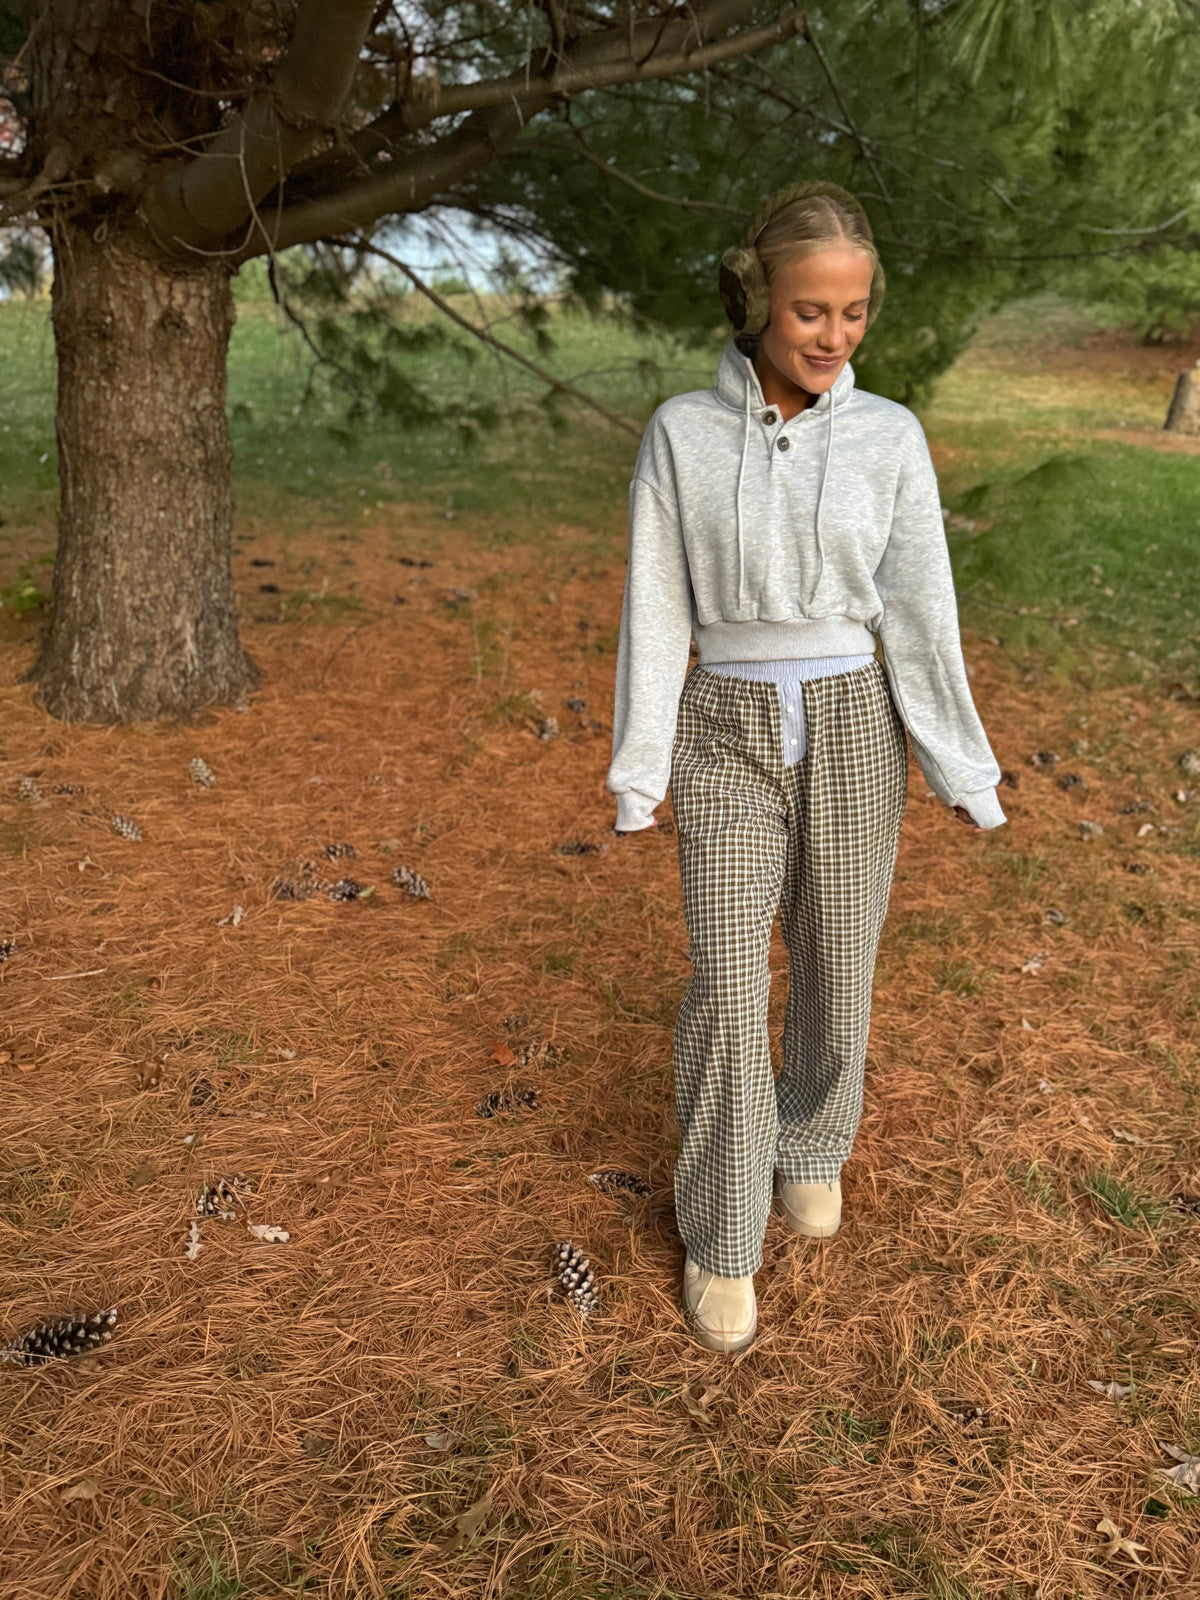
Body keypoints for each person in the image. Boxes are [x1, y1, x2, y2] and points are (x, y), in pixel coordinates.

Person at [604, 180, 1007, 1355]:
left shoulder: (889, 439)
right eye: (809, 312)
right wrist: (642, 766)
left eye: (855, 313)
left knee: (840, 957)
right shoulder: (682, 434)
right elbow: (655, 608)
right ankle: (725, 1237)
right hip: (726, 725)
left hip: (850, 724)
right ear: (756, 302)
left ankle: (812, 1145)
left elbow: (922, 609)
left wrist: (958, 763)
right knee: (728, 987)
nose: (834, 336)